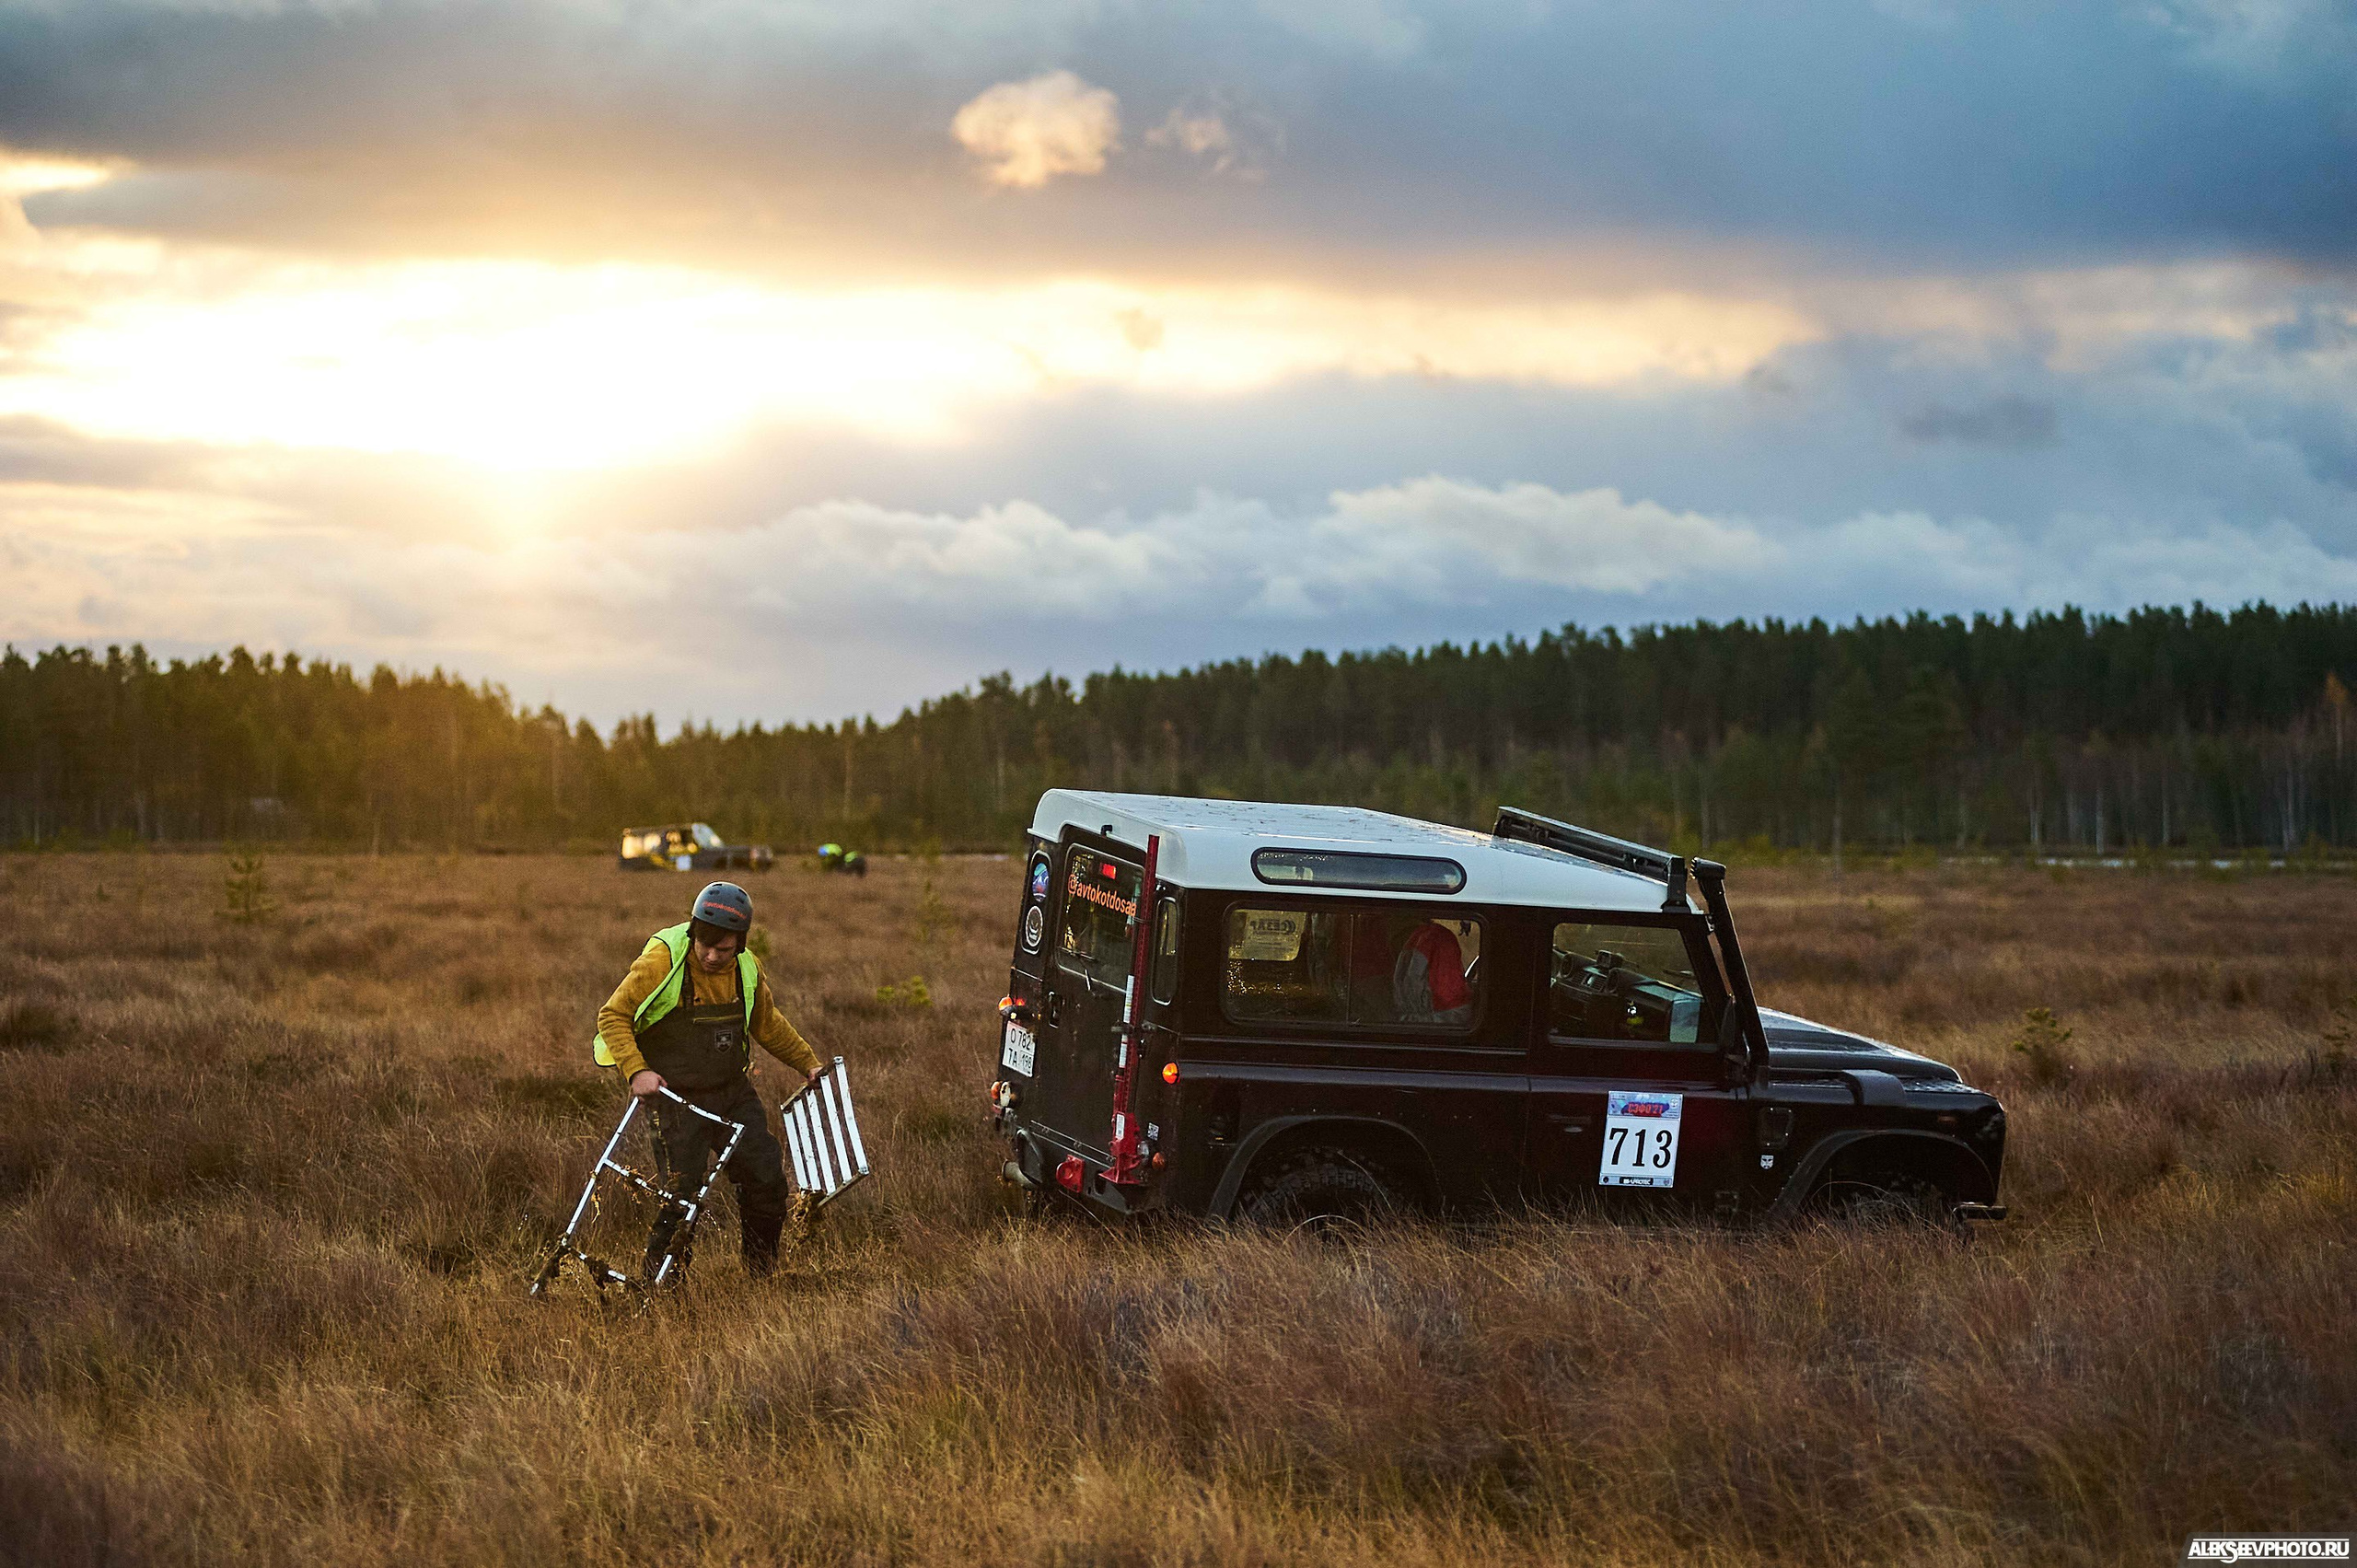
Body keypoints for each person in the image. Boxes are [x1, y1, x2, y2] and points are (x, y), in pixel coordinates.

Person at [592, 880, 826, 1280]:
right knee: (681, 1196)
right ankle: (663, 1285)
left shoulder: (747, 968)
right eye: (706, 946)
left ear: (741, 942)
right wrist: (638, 1070)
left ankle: (762, 1273)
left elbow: (767, 1024)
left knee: (766, 1178)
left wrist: (808, 1064)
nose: (713, 956)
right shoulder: (662, 961)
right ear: (693, 932)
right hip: (674, 1098)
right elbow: (612, 1016)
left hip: (733, 1092)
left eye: (725, 949)